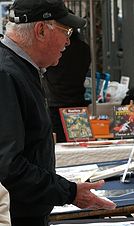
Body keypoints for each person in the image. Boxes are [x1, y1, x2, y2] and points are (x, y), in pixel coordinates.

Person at [0, 0, 116, 226]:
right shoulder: (7, 75)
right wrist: (70, 192)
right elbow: (9, 166)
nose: (68, 40)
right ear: (41, 30)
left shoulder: (21, 69)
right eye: (66, 31)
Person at [42, 13, 91, 143]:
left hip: (55, 104)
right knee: (80, 145)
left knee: (58, 148)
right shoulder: (83, 48)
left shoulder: (53, 49)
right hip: (77, 104)